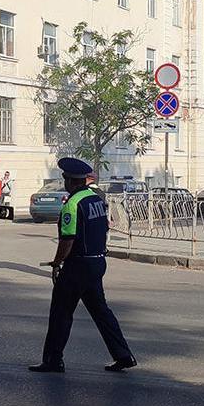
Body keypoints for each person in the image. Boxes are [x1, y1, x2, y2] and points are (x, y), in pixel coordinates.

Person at [29, 157, 136, 374]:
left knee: (61, 313)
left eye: (66, 179)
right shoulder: (95, 199)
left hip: (77, 266)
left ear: (70, 181)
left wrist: (57, 262)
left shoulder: (72, 204)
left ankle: (53, 360)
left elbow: (67, 239)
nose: (65, 182)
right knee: (101, 312)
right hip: (97, 262)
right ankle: (124, 356)